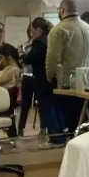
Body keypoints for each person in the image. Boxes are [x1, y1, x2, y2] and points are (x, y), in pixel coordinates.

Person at [46, 0, 89, 132]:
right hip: (87, 82)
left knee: (69, 122)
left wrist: (50, 76)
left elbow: (52, 58)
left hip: (67, 83)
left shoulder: (58, 30)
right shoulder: (88, 28)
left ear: (61, 10)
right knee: (82, 118)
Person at [26, 17, 66, 148]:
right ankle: (61, 134)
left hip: (42, 79)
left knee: (47, 109)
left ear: (38, 29)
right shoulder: (51, 38)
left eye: (32, 30)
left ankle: (55, 138)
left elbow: (30, 59)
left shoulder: (38, 42)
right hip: (54, 78)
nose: (32, 33)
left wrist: (22, 56)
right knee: (56, 107)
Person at [16, 25, 37, 137]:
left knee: (41, 104)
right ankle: (20, 127)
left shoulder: (42, 43)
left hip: (38, 76)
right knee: (25, 104)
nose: (32, 33)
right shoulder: (25, 45)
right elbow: (23, 61)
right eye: (30, 31)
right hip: (27, 76)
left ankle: (44, 128)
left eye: (34, 31)